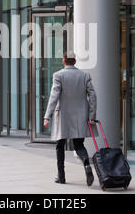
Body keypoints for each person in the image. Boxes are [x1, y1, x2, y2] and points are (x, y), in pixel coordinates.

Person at [43, 51, 97, 186]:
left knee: (60, 145)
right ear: (75, 61)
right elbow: (93, 96)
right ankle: (86, 163)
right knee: (79, 144)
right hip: (80, 116)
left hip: (63, 116)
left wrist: (47, 116)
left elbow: (54, 97)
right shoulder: (85, 75)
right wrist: (92, 116)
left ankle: (61, 177)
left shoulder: (58, 75)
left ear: (63, 61)